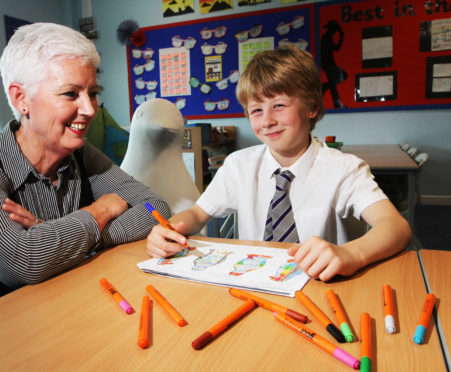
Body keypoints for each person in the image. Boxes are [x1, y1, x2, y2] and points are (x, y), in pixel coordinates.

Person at [0, 23, 170, 320]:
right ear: (20, 99)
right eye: (70, 94)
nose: (89, 109)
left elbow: (157, 208)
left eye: (92, 92)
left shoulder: (80, 154)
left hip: (62, 314)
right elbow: (24, 262)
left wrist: (57, 235)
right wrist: (99, 212)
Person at [146, 46, 411, 282]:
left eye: (279, 105)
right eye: (256, 110)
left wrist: (350, 253)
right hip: (253, 282)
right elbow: (196, 214)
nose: (267, 120)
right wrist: (168, 230)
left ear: (311, 108)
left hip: (320, 285)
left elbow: (396, 226)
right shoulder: (239, 165)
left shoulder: (344, 169)